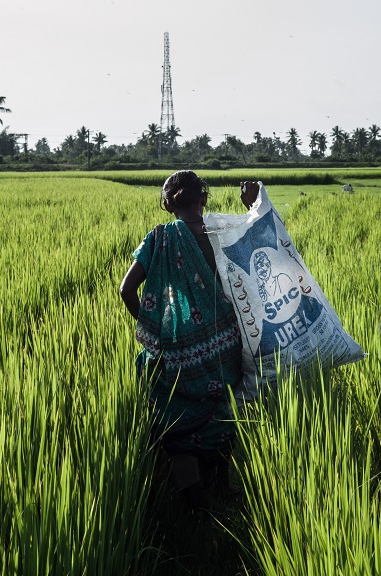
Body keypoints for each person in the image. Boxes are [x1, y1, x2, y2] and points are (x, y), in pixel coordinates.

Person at [119, 170, 259, 509]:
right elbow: (260, 259)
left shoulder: (158, 238)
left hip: (179, 350)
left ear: (168, 204)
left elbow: (126, 290)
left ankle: (195, 502)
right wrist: (252, 205)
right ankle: (222, 486)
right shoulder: (221, 232)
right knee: (223, 409)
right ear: (204, 198)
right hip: (226, 343)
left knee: (176, 418)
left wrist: (158, 331)